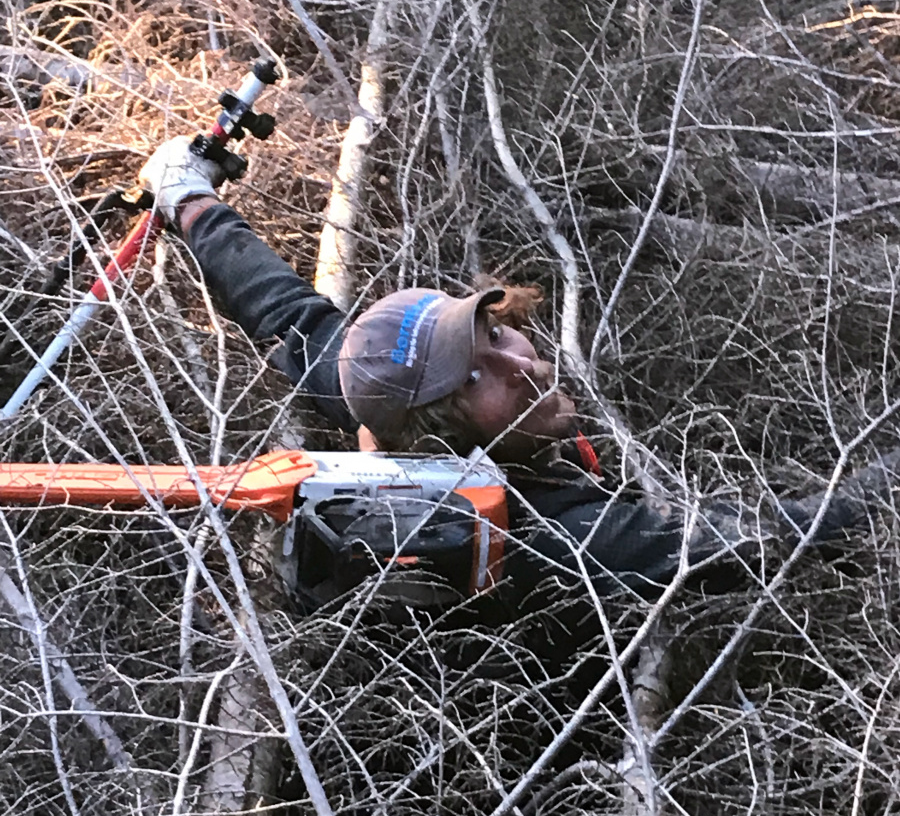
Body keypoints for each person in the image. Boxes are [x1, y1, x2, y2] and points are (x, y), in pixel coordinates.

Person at [140, 137, 876, 605]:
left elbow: (287, 311)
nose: (522, 362)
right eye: (473, 376)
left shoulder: (374, 384)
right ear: (436, 434)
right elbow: (758, 535)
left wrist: (189, 199)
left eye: (496, 333)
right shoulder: (543, 535)